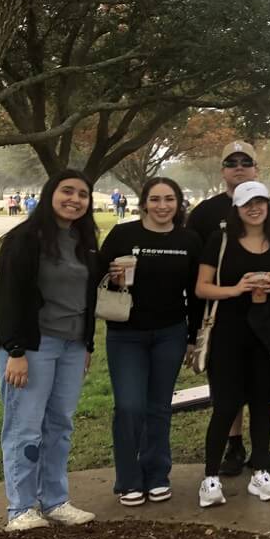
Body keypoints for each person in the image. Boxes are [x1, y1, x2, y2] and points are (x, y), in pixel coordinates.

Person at [0, 170, 100, 531]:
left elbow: (86, 297)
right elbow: (9, 297)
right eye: (67, 191)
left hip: (72, 347)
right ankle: (21, 509)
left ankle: (55, 500)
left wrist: (87, 343)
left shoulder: (85, 241)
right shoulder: (25, 239)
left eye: (82, 194)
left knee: (60, 426)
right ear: (49, 193)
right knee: (25, 428)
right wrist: (16, 351)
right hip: (32, 347)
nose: (75, 199)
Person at [188, 140, 270, 477]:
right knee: (227, 398)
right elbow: (197, 277)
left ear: (256, 168)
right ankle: (231, 449)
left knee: (261, 397)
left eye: (245, 162)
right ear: (222, 170)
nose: (238, 167)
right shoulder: (206, 216)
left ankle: (261, 455)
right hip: (225, 323)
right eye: (231, 162)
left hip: (265, 327)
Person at [98, 176, 203, 506]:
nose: (162, 206)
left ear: (178, 203)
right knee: (129, 406)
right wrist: (114, 279)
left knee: (158, 406)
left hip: (170, 333)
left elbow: (196, 294)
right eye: (155, 199)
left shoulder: (189, 239)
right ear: (143, 203)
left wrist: (192, 337)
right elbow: (97, 278)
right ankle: (128, 480)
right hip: (126, 334)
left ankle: (157, 474)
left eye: (169, 199)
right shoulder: (123, 235)